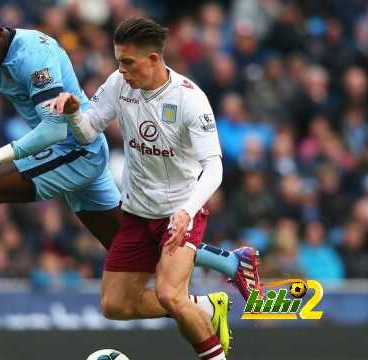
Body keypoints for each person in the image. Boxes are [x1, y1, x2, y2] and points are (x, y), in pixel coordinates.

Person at [0, 9, 261, 342]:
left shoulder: (34, 56)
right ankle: (226, 269)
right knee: (143, 257)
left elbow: (55, 130)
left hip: (74, 149)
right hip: (75, 152)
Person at [49, 18, 236, 360]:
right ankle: (207, 307)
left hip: (181, 212)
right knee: (115, 305)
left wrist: (187, 210)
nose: (121, 70)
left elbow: (214, 167)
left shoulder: (190, 100)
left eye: (128, 62)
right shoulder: (119, 85)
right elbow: (89, 131)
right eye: (118, 60)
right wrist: (75, 112)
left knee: (169, 294)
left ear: (153, 59)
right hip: (136, 213)